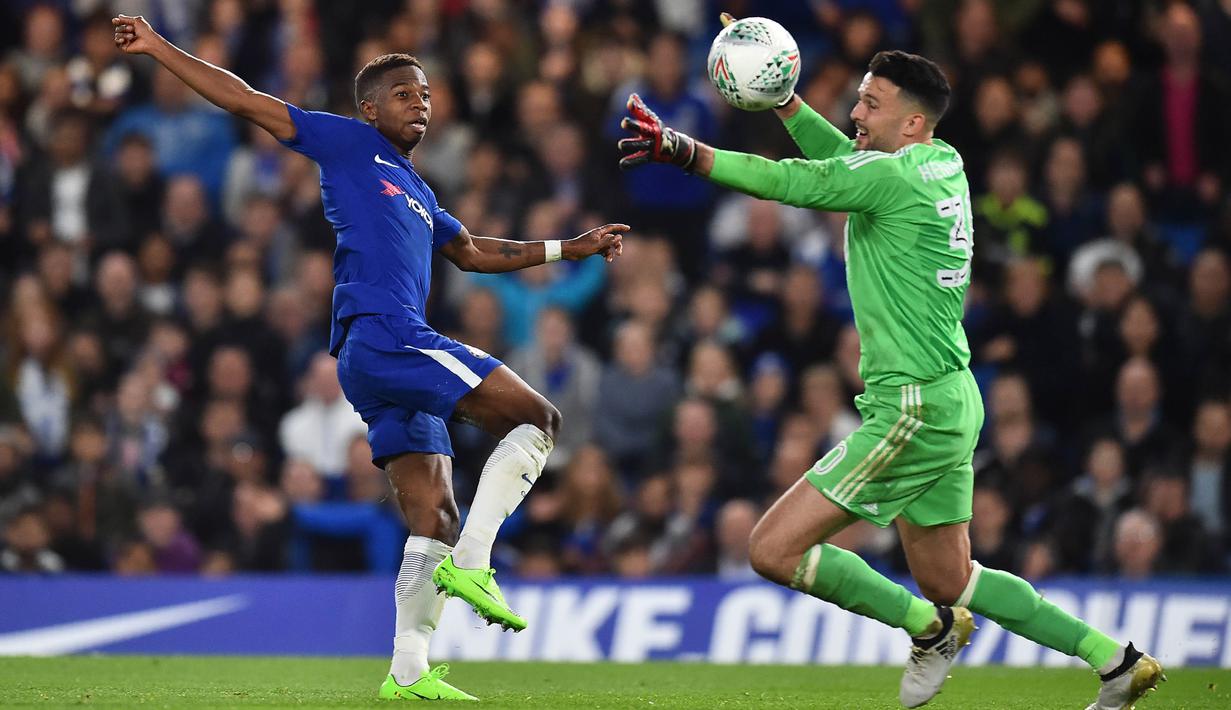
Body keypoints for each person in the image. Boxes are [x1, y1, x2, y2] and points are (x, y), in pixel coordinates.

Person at [618, 33, 1161, 710]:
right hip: (951, 397)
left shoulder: (887, 176)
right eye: (856, 99)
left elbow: (791, 180)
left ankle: (928, 631)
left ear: (910, 120)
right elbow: (845, 162)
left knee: (771, 549)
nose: (855, 114)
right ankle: (1115, 661)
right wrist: (785, 102)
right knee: (950, 576)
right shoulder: (939, 163)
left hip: (909, 406)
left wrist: (681, 150)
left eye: (870, 104)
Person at [114, 14, 625, 702]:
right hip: (387, 335)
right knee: (539, 418)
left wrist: (570, 247)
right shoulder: (350, 144)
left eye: (426, 95)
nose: (421, 103)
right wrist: (156, 46)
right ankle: (476, 563)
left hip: (373, 357)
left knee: (433, 518)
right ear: (369, 108)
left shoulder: (418, 191)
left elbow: (473, 253)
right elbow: (245, 100)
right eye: (405, 94)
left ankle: (408, 672)